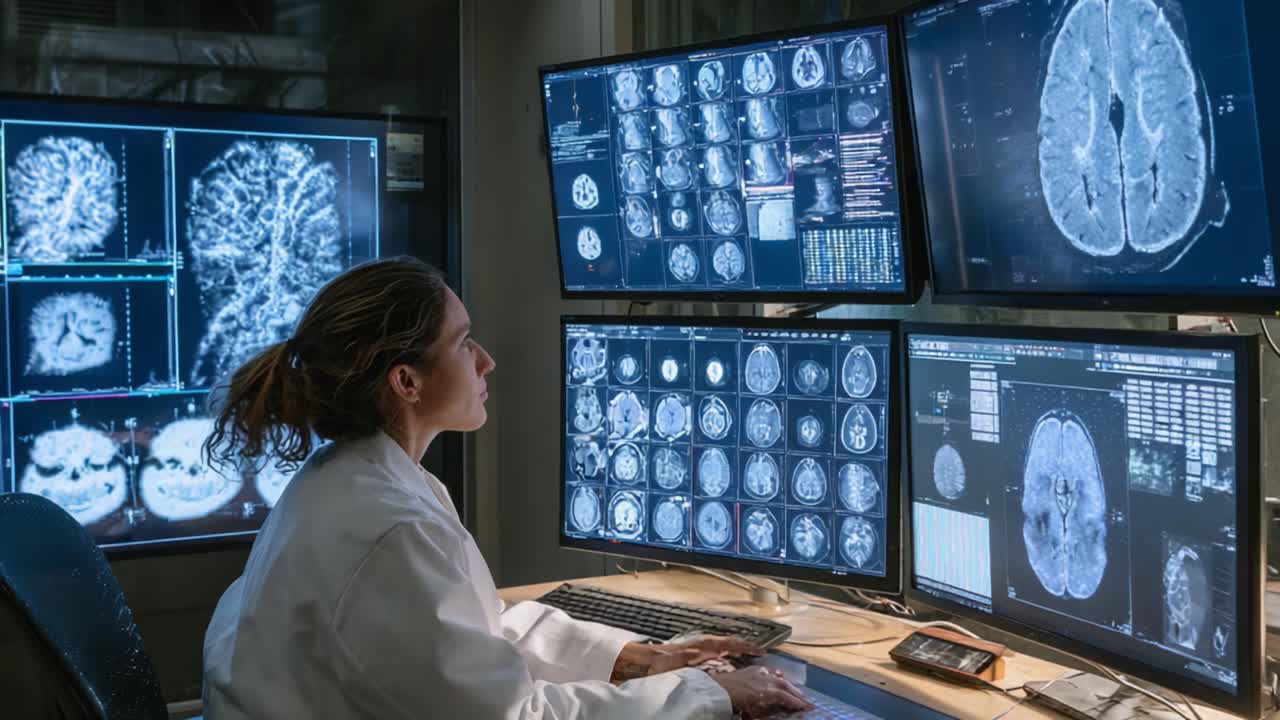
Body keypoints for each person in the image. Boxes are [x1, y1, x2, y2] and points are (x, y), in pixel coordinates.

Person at [201, 257, 810, 719]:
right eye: (464, 342)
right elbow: (516, 716)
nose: (486, 360)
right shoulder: (389, 526)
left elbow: (475, 629)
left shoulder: (355, 479)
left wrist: (634, 656)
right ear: (407, 380)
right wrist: (705, 693)